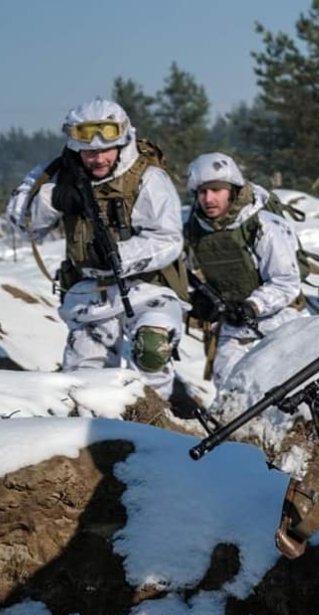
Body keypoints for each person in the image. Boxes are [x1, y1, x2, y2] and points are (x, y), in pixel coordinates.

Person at [6, 98, 187, 399]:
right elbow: (20, 222)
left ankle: (156, 429)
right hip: (89, 292)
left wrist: (122, 256)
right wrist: (53, 199)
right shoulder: (58, 174)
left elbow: (168, 239)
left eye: (106, 149)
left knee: (152, 352)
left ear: (123, 142)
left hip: (148, 289)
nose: (98, 158)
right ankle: (99, 437)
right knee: (83, 386)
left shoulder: (148, 178)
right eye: (90, 152)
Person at [184, 152, 307, 387]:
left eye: (216, 190)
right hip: (233, 322)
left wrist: (253, 306)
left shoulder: (264, 225)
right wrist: (199, 301)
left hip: (281, 318)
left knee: (287, 386)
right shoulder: (193, 231)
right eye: (202, 192)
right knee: (229, 387)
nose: (209, 199)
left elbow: (286, 282)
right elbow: (190, 273)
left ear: (232, 190)